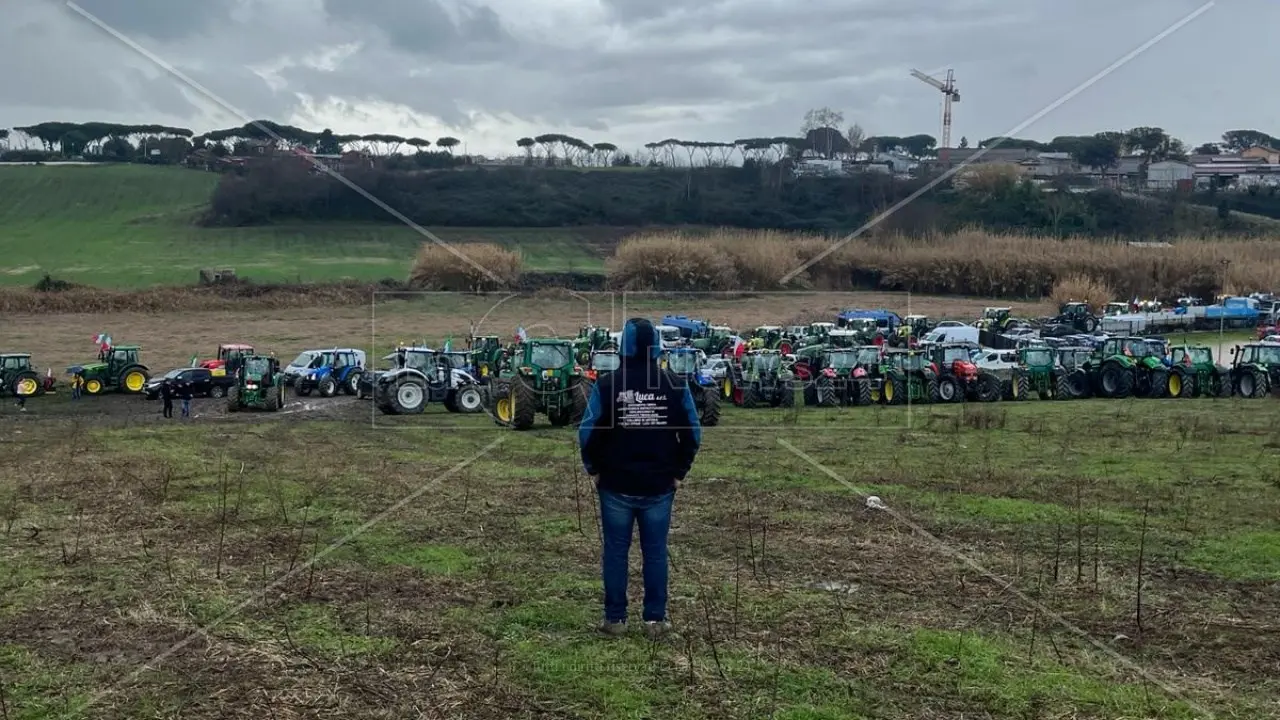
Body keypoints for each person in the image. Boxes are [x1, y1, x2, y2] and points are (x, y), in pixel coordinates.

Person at [578, 318, 701, 640]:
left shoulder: (606, 385)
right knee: (656, 552)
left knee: (616, 553)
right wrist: (679, 472)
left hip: (615, 485)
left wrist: (593, 468)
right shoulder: (675, 384)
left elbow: (587, 431)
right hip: (660, 486)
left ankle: (615, 620)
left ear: (622, 348)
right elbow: (693, 433)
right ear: (657, 347)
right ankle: (655, 622)